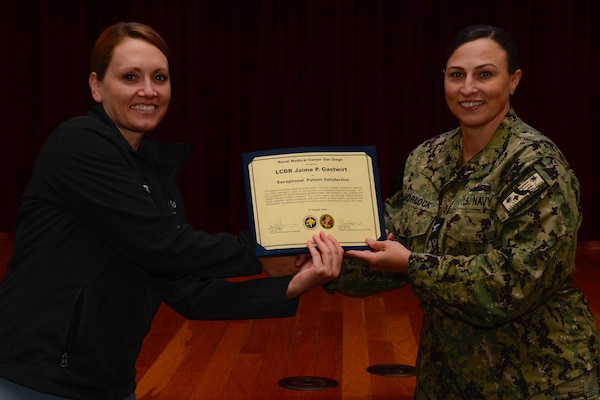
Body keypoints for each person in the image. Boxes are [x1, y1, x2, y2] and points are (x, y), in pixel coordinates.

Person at [0, 21, 343, 400]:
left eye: (159, 77)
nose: (148, 90)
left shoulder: (154, 173)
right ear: (96, 86)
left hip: (108, 383)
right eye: (130, 76)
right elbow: (162, 244)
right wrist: (259, 251)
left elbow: (188, 293)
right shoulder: (79, 143)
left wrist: (290, 286)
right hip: (31, 379)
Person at [336, 25, 600, 398]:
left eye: (485, 74)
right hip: (445, 377)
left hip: (537, 379)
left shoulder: (537, 165)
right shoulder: (426, 159)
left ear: (514, 81)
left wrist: (413, 266)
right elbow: (390, 244)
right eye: (457, 75)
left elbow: (515, 283)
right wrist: (329, 263)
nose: (468, 88)